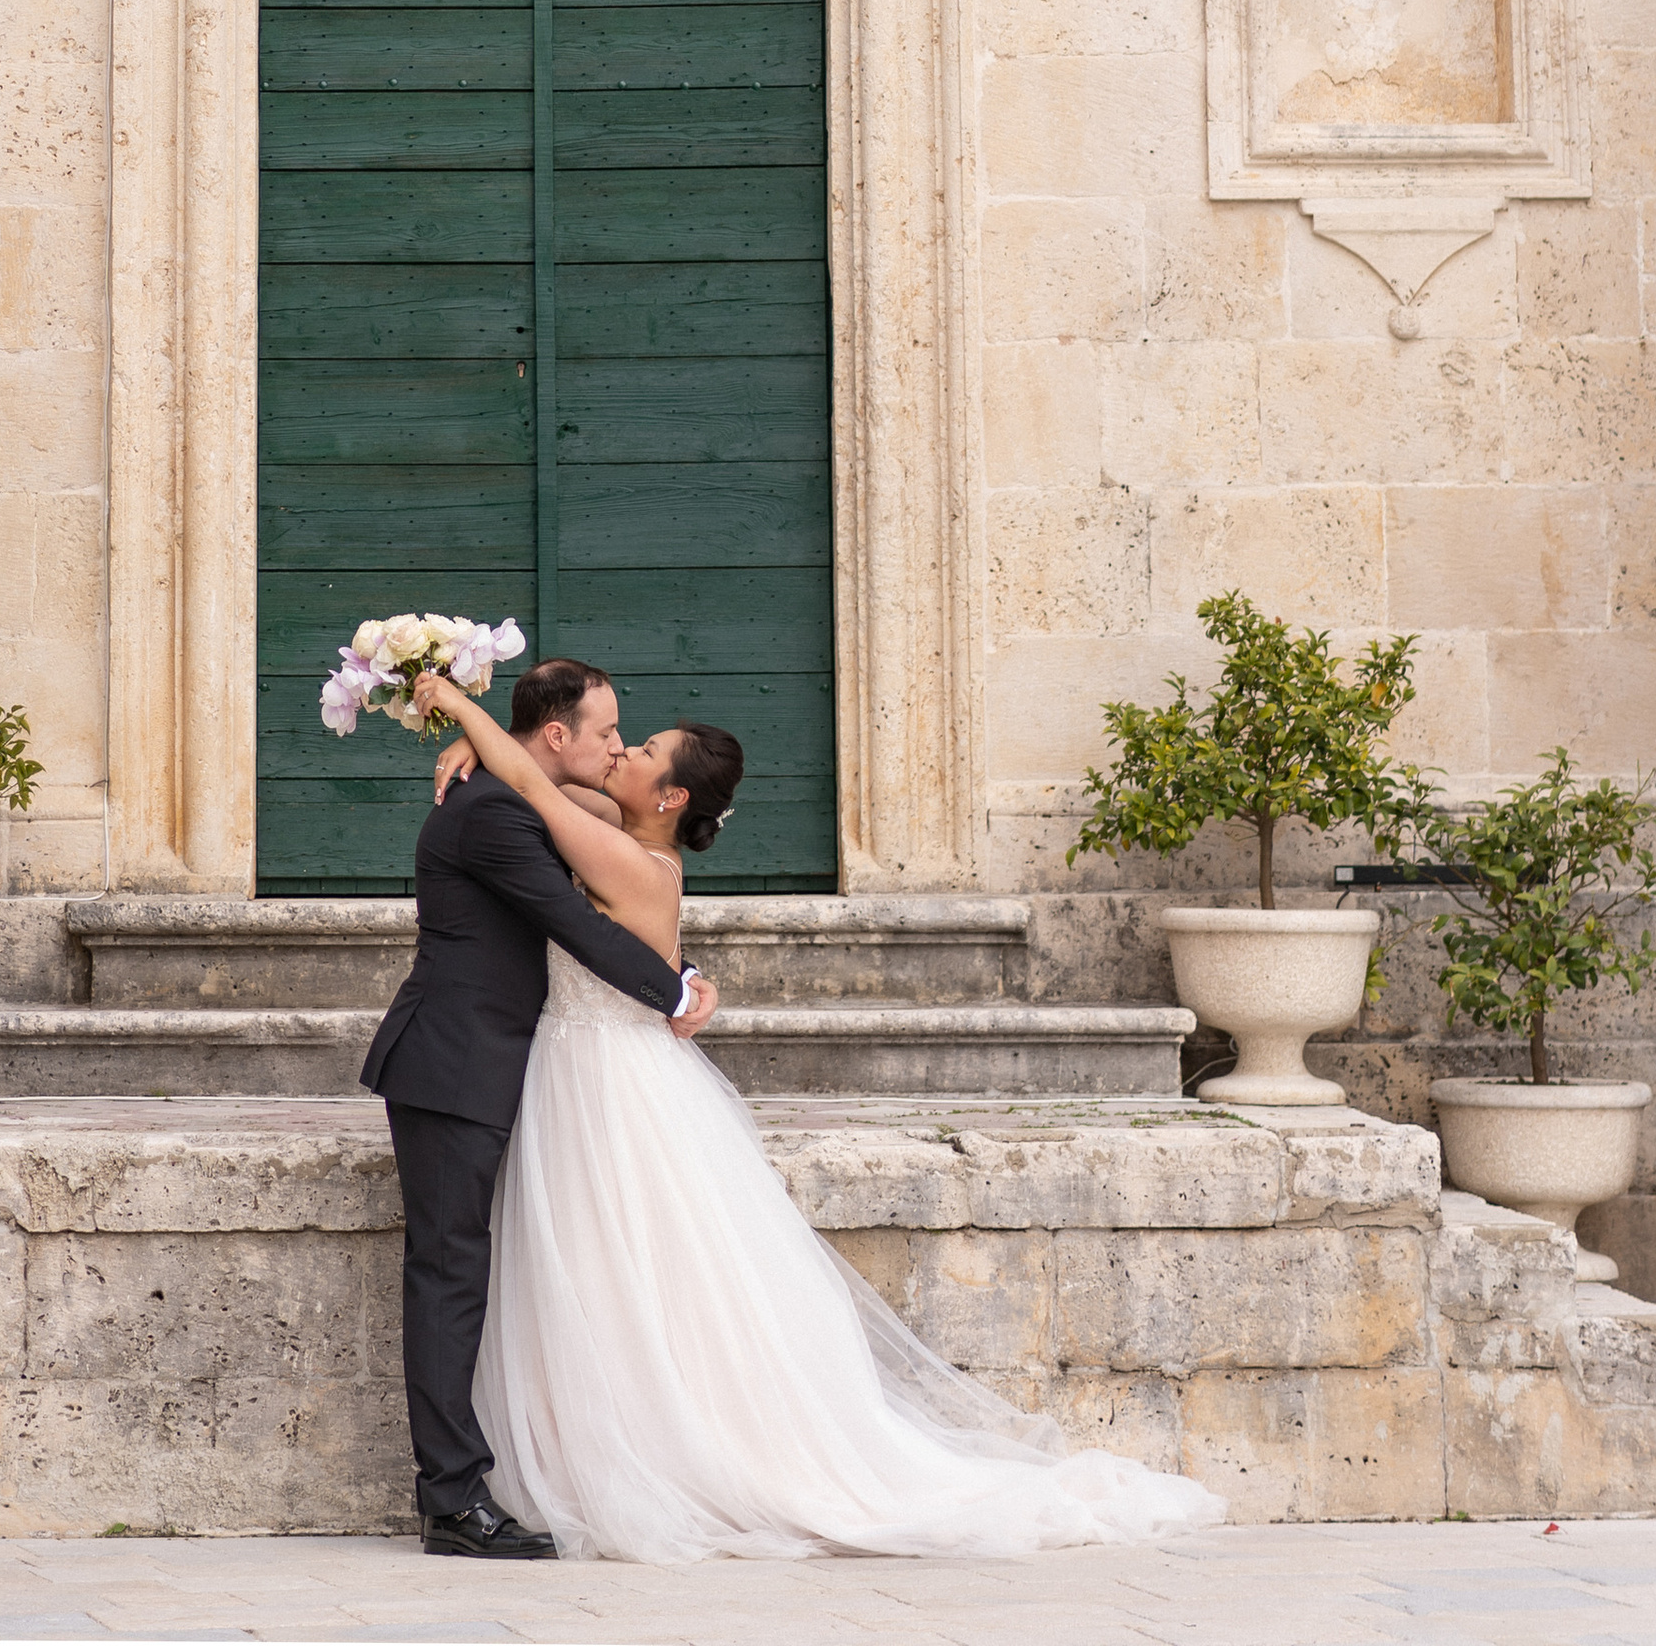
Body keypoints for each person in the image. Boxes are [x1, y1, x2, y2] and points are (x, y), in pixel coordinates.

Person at [411, 667, 1227, 1564]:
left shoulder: (622, 852)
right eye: (617, 735)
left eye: (639, 750)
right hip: (583, 1070)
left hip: (607, 1078)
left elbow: (538, 789)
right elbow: (541, 777)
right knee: (618, 1270)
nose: (622, 748)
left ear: (672, 795)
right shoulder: (619, 828)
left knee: (633, 1269)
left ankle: (664, 1454)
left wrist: (458, 708)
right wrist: (480, 745)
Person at [359, 656, 719, 1560]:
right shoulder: (493, 816)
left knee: (472, 1276)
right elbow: (581, 927)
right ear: (556, 736)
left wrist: (466, 731)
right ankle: (452, 1502)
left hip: (493, 1068)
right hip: (453, 1068)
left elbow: (624, 881)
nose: (614, 748)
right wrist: (673, 992)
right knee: (447, 1279)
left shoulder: (515, 799)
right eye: (606, 733)